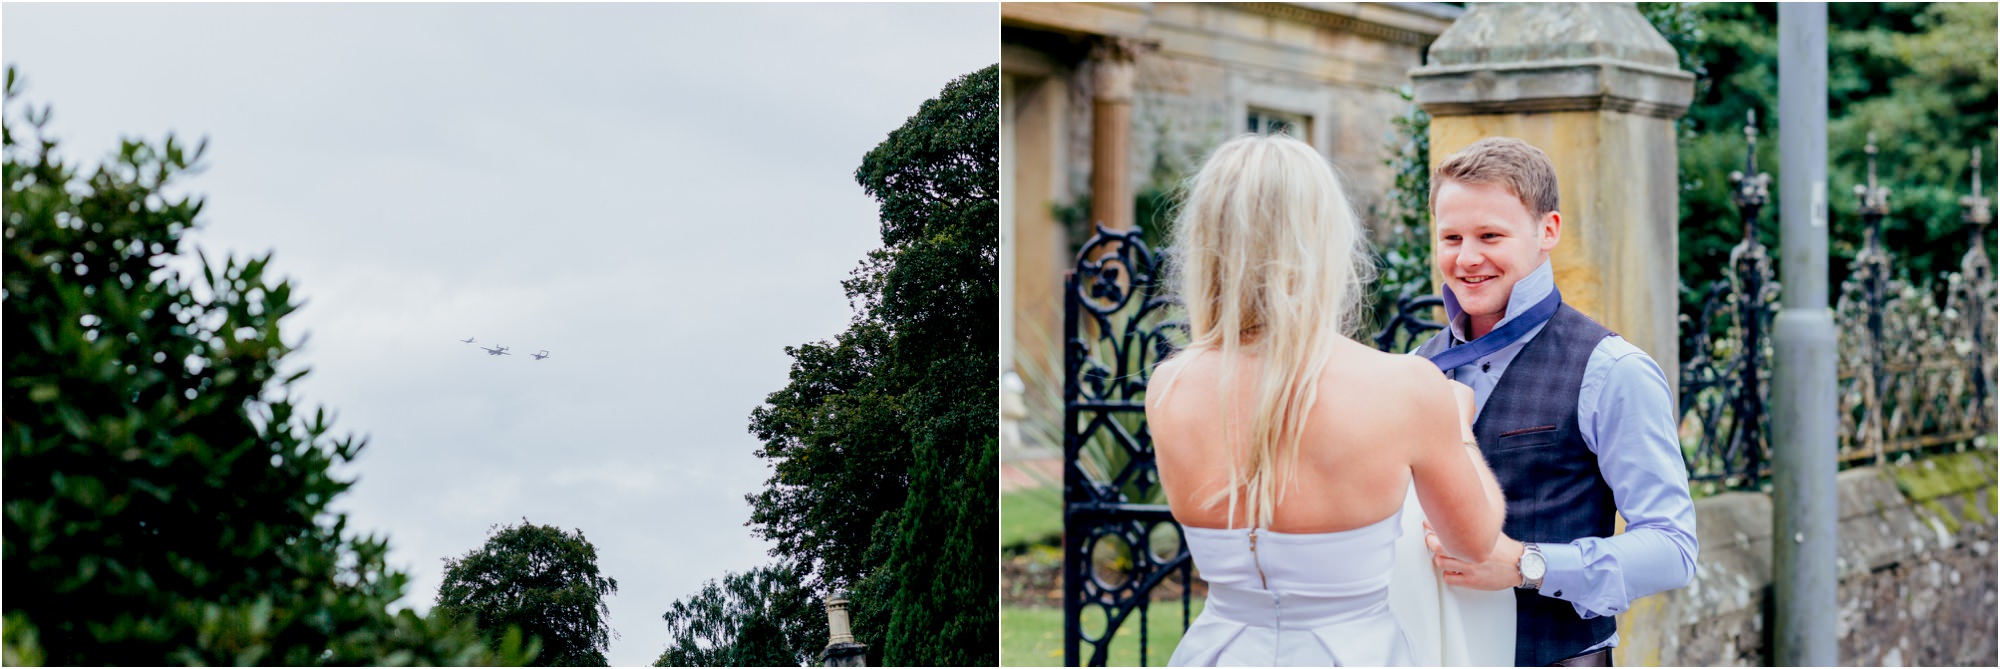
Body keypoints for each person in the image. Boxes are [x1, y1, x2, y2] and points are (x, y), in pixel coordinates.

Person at [1146, 133, 1508, 666]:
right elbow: (1474, 544)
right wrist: (1457, 424)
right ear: (1325, 241)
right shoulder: (1405, 387)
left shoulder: (1169, 386)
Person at [1413, 137, 1699, 667]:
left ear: (1548, 231)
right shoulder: (1414, 369)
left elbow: (1673, 548)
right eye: (1451, 237)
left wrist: (1528, 565)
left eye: (1490, 235)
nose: (1467, 257)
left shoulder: (1611, 369)